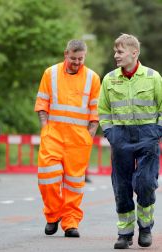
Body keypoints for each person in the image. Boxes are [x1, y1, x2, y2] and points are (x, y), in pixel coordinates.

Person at [98, 34, 162, 249]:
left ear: (134, 53)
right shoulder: (110, 79)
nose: (116, 56)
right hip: (120, 138)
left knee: (146, 183)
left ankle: (146, 228)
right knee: (121, 187)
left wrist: (157, 132)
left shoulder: (152, 77)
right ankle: (125, 233)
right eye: (115, 52)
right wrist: (110, 133)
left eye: (120, 52)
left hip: (147, 136)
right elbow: (103, 110)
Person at [34, 39, 100, 238]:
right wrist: (45, 129)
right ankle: (53, 215)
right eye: (73, 58)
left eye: (80, 59)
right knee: (48, 179)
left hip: (79, 141)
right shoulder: (50, 74)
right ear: (65, 54)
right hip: (53, 136)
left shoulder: (92, 78)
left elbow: (95, 113)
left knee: (73, 183)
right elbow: (42, 105)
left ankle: (71, 222)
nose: (77, 62)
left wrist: (89, 135)